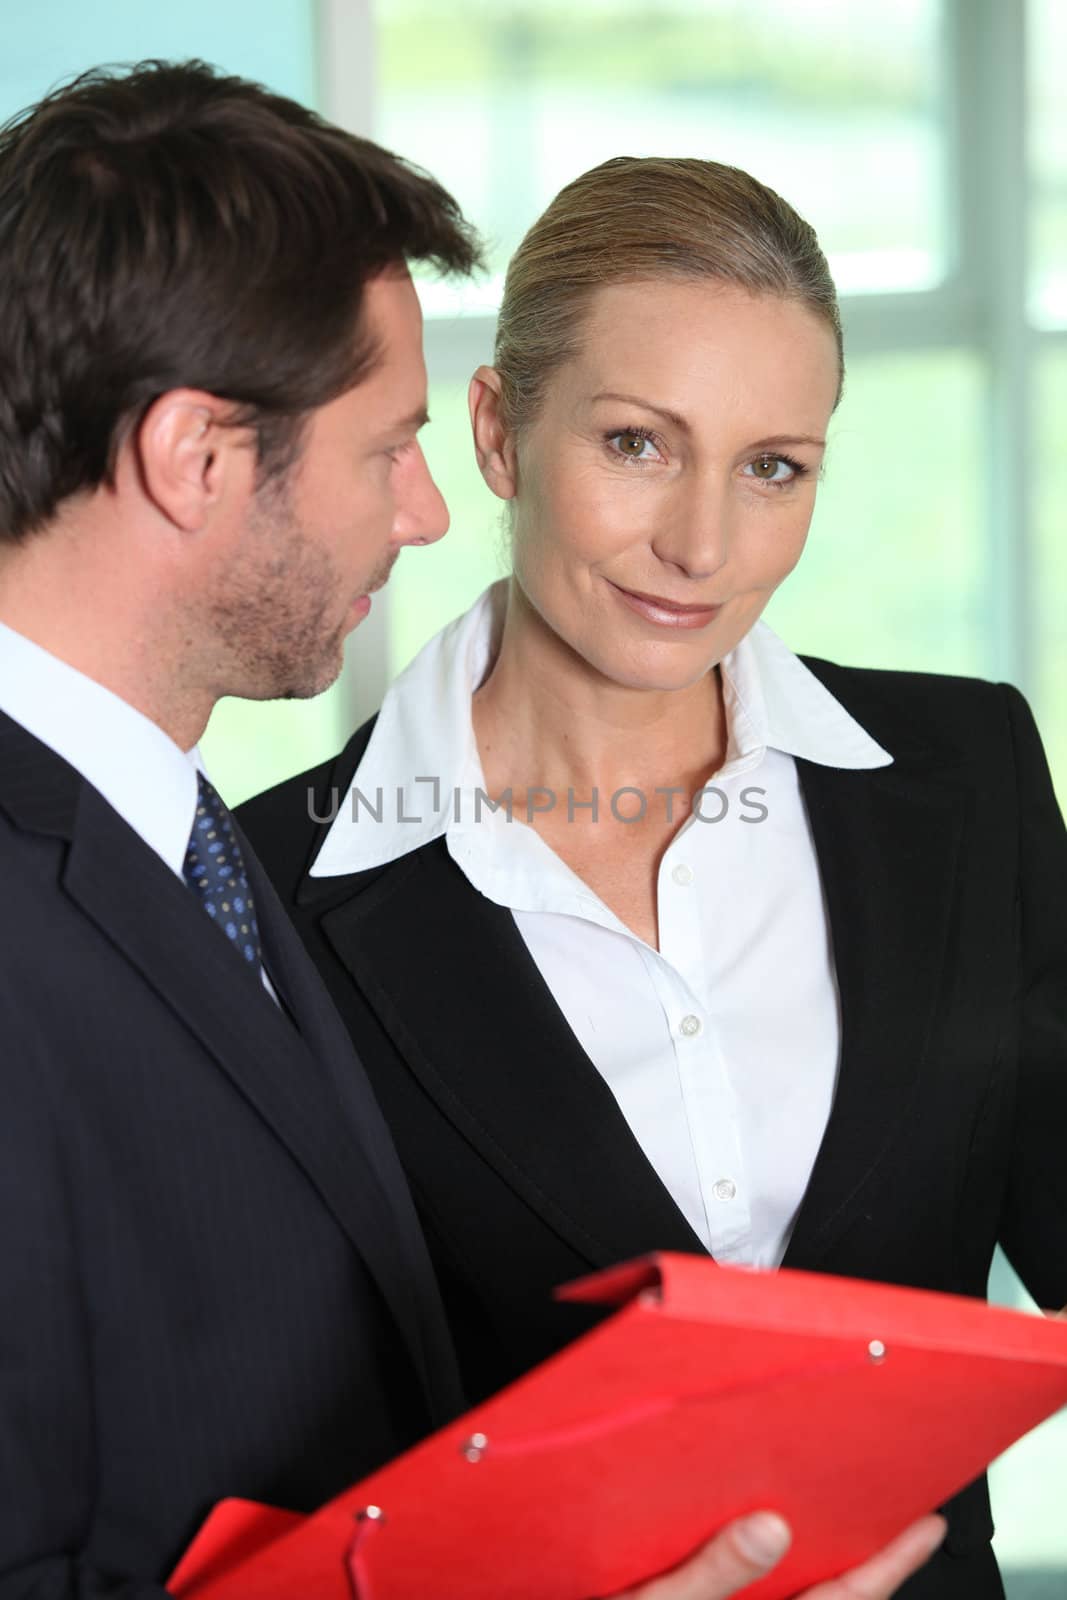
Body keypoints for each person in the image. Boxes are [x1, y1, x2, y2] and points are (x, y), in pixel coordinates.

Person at [0, 60, 942, 1600]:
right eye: (386, 448)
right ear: (195, 458)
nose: (425, 511)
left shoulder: (187, 853)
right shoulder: (266, 862)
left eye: (776, 466)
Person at [239, 154, 1067, 1600]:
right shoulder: (269, 891)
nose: (703, 544)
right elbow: (269, 1456)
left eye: (772, 468)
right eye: (636, 443)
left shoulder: (970, 778)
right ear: (499, 431)